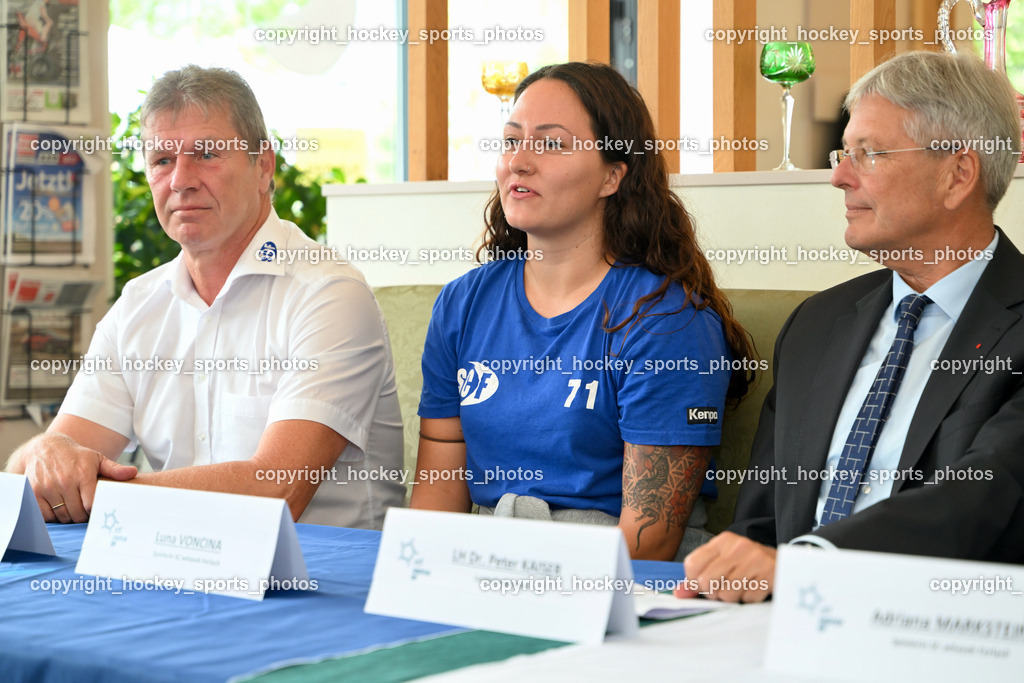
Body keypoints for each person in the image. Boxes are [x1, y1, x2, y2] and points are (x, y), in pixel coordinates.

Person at [680, 50, 1024, 602]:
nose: (839, 176)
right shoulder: (817, 325)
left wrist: (812, 566)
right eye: (845, 152)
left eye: (869, 153)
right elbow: (762, 522)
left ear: (958, 175)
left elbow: (984, 499)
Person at [6, 65, 405, 529]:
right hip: (174, 566)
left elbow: (276, 489)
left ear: (263, 167)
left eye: (207, 154)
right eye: (161, 161)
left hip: (325, 583)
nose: (181, 180)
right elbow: (46, 473)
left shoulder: (329, 294)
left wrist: (100, 492)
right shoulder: (138, 305)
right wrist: (42, 452)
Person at [410, 62, 754, 561]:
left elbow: (648, 541)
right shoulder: (462, 304)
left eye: (551, 144)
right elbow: (438, 497)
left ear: (613, 175)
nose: (519, 162)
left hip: (617, 574)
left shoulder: (668, 321)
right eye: (511, 141)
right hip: (484, 559)